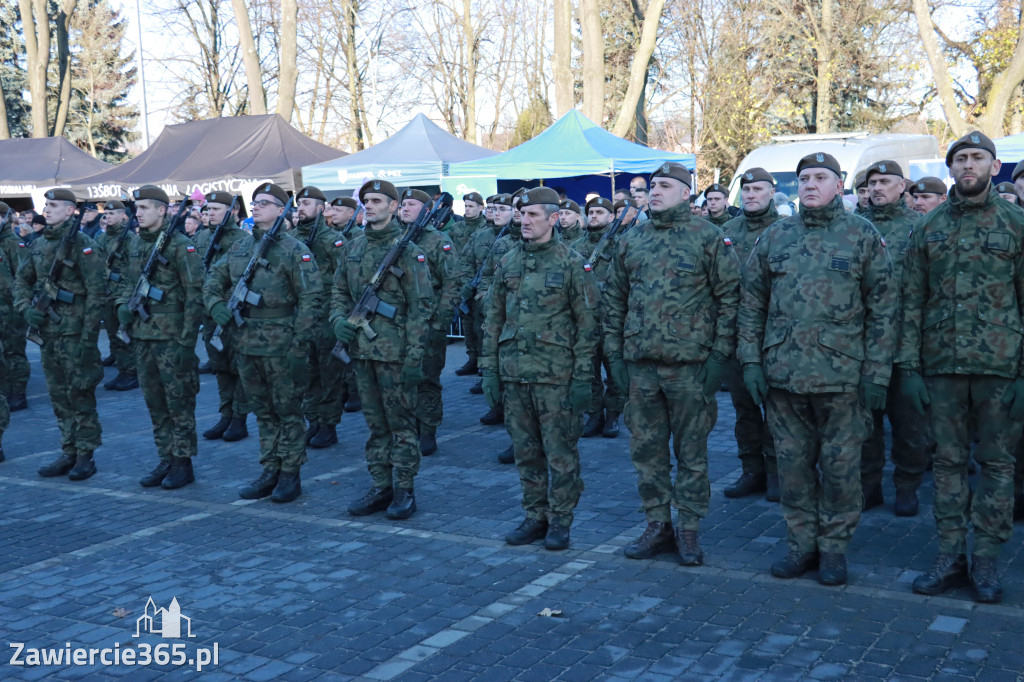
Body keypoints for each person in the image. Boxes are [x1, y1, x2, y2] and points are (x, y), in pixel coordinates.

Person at [738, 152, 896, 586]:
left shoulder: (861, 235)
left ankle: (834, 548)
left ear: (839, 184)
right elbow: (751, 304)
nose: (810, 185)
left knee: (842, 469)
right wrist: (751, 361)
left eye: (820, 178)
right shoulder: (775, 237)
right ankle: (801, 544)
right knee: (792, 468)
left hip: (843, 378)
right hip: (784, 375)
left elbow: (884, 310)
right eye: (804, 178)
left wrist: (877, 374)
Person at [900, 132, 1024, 604]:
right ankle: (950, 555)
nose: (968, 165)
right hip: (941, 367)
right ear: (951, 168)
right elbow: (912, 301)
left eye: (977, 158)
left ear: (995, 168)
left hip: (1000, 369)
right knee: (948, 464)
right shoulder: (929, 226)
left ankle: (986, 557)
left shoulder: (1016, 223)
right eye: (960, 159)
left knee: (996, 466)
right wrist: (908, 368)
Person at [604, 162, 741, 566]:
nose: (655, 192)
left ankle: (689, 529)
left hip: (690, 368)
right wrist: (614, 355)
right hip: (642, 367)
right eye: (652, 186)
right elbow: (614, 300)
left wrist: (718, 358)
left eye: (665, 186)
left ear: (686, 193)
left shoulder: (709, 238)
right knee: (646, 452)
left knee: (692, 453)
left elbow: (730, 299)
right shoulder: (633, 240)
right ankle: (657, 524)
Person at [482, 186, 600, 550]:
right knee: (526, 452)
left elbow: (588, 325)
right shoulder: (509, 261)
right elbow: (492, 319)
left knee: (560, 453)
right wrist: (489, 369)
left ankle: (561, 520)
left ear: (553, 219)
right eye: (522, 214)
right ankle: (535, 515)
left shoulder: (571, 263)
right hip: (515, 374)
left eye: (532, 214)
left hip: (556, 378)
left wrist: (583, 378)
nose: (524, 220)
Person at [205, 183, 323, 503]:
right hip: (245, 343)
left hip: (281, 344)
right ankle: (270, 468)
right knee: (263, 412)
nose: (255, 208)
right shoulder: (240, 248)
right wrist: (216, 305)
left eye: (264, 203)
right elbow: (212, 280)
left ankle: (290, 473)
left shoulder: (294, 249)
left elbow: (312, 299)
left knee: (287, 412)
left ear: (280, 210)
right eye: (254, 203)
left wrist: (300, 344)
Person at [331, 180, 433, 520]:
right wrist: (337, 321)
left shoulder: (408, 250)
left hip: (396, 353)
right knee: (376, 425)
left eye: (377, 200)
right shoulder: (352, 247)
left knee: (401, 425)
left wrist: (415, 356)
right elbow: (339, 293)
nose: (369, 205)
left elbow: (421, 307)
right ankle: (381, 484)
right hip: (362, 351)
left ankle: (404, 488)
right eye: (366, 201)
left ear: (393, 206)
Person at [115, 186, 204, 489]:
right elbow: (127, 284)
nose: (137, 213)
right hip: (143, 336)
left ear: (162, 211)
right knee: (155, 403)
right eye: (136, 208)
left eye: (143, 208)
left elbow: (195, 295)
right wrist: (122, 307)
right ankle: (166, 457)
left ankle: (183, 462)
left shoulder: (181, 246)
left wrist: (187, 342)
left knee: (178, 403)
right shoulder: (136, 244)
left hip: (172, 339)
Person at [14, 188, 106, 480]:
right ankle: (68, 450)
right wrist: (25, 308)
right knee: (58, 396)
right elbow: (22, 281)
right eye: (46, 204)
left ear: (70, 211)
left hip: (76, 335)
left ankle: (85, 456)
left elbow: (96, 294)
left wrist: (88, 340)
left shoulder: (84, 245)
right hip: (48, 334)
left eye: (54, 205)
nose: (47, 209)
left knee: (80, 394)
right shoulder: (38, 245)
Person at [859, 160, 931, 516]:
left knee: (909, 426)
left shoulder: (921, 227)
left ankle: (907, 486)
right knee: (864, 426)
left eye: (885, 181)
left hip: (907, 346)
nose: (877, 188)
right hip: (863, 345)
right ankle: (869, 486)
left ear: (903, 187)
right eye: (872, 182)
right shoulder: (854, 227)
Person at [720, 168, 781, 501]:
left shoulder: (786, 229)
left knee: (775, 409)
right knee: (743, 408)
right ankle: (751, 470)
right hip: (734, 335)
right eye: (746, 190)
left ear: (772, 192)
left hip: (773, 335)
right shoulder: (727, 231)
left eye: (758, 189)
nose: (751, 195)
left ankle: (775, 472)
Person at [397, 188, 460, 456]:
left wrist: (440, 322)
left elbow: (452, 283)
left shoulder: (438, 241)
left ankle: (428, 427)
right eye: (403, 204)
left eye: (412, 204)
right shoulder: (395, 238)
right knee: (401, 377)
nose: (406, 209)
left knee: (427, 378)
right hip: (397, 322)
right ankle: (407, 424)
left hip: (427, 322)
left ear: (426, 209)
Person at [288, 186, 347, 450]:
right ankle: (313, 420)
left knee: (329, 373)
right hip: (300, 317)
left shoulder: (334, 241)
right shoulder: (289, 239)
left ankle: (329, 424)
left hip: (325, 317)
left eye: (307, 203)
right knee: (307, 373)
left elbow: (345, 281)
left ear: (321, 209)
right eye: (299, 203)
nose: (301, 207)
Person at [194, 192, 251, 443]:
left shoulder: (243, 240)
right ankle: (226, 415)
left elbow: (244, 279)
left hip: (234, 315)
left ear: (233, 210)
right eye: (208, 209)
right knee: (220, 368)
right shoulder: (201, 236)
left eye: (217, 209)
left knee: (238, 368)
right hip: (209, 313)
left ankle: (239, 419)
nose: (211, 213)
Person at [569, 196, 623, 439]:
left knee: (614, 372)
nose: (594, 216)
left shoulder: (622, 246)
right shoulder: (576, 248)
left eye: (600, 212)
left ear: (612, 217)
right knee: (588, 370)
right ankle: (594, 414)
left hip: (613, 322)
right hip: (585, 322)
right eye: (591, 212)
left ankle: (612, 415)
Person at [94, 200, 139, 392]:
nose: (108, 217)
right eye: (106, 214)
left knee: (125, 334)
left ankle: (131, 372)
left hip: (123, 293)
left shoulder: (130, 239)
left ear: (124, 216)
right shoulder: (101, 239)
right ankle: (123, 369)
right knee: (113, 335)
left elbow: (134, 269)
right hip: (106, 293)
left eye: (112, 214)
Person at [326, 196, 363, 413]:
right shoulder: (331, 236)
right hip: (335, 300)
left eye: (339, 210)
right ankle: (341, 389)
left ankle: (354, 390)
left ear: (352, 213)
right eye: (333, 209)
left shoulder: (358, 237)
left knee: (349, 346)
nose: (334, 213)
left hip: (352, 300)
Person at [0, 201, 30, 411]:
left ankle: (18, 394)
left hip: (10, 310)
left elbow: (23, 278)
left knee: (14, 352)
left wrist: (20, 305)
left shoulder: (13, 242)